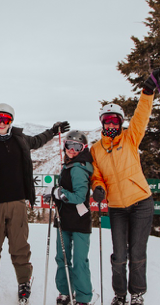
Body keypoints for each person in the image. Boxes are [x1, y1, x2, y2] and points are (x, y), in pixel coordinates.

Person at [0, 103, 70, 304]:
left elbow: (37, 141)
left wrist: (53, 131)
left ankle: (24, 282)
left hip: (18, 201)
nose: (2, 123)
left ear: (11, 121)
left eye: (6, 119)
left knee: (20, 246)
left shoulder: (20, 138)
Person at [90, 66, 160, 305]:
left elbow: (142, 116)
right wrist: (98, 188)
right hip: (117, 208)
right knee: (119, 256)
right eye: (107, 121)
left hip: (141, 203)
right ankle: (119, 295)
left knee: (136, 253)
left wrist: (148, 89)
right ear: (102, 123)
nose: (111, 124)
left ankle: (137, 294)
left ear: (121, 122)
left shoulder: (130, 137)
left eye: (115, 120)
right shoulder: (96, 149)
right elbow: (96, 175)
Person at [43, 130, 94, 305]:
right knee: (63, 258)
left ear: (83, 148)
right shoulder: (69, 165)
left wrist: (60, 193)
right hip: (65, 219)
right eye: (69, 145)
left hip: (78, 222)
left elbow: (79, 196)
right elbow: (63, 191)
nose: (72, 149)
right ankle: (66, 292)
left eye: (76, 146)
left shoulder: (79, 168)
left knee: (78, 260)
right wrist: (55, 194)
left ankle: (81, 296)